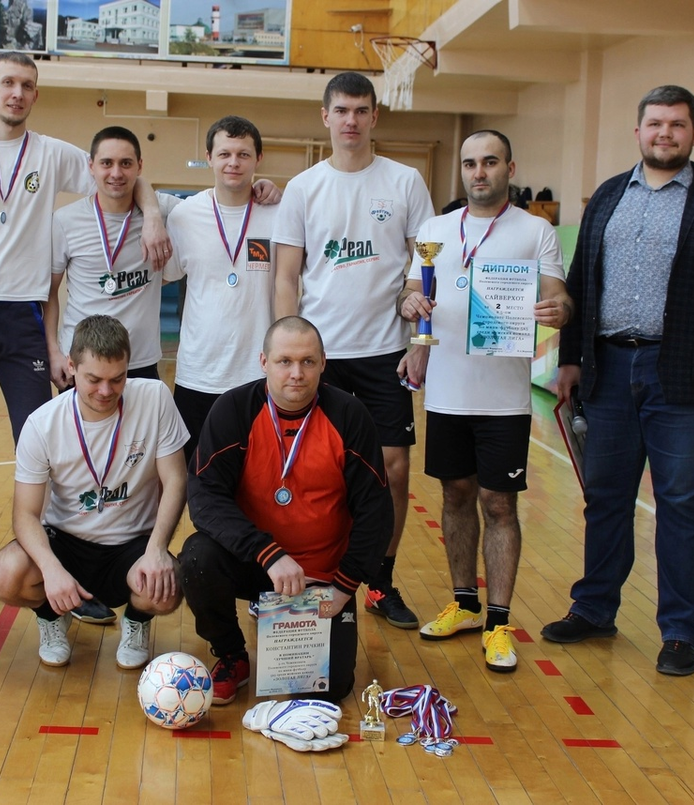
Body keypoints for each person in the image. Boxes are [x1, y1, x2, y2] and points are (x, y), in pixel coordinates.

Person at [0, 51, 171, 612]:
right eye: (8, 82)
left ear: (35, 94)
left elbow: (120, 175)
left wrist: (152, 212)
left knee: (49, 439)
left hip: (22, 316)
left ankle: (65, 559)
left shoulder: (54, 154)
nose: (17, 92)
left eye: (27, 85)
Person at [541, 85, 694, 677]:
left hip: (684, 375)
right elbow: (580, 282)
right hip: (609, 369)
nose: (665, 133)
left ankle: (679, 631)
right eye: (656, 123)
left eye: (677, 124)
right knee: (605, 498)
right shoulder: (609, 195)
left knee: (682, 504)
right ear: (638, 131)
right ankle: (594, 608)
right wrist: (571, 357)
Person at [398, 130, 570, 673]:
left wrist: (558, 311)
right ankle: (465, 605)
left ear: (509, 168)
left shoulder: (536, 231)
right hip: (448, 392)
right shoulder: (435, 230)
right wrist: (410, 309)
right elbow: (412, 292)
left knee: (498, 504)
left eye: (490, 162)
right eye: (470, 163)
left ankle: (498, 622)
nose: (479, 172)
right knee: (455, 496)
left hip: (504, 400)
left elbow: (559, 297)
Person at [273, 72, 435, 630]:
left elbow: (425, 267)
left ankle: (380, 582)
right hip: (320, 358)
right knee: (315, 472)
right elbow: (286, 276)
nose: (351, 120)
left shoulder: (405, 181)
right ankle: (319, 573)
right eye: (341, 110)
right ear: (326, 116)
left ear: (374, 117)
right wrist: (286, 351)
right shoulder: (303, 188)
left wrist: (419, 336)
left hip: (386, 352)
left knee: (393, 469)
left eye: (361, 110)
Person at [181, 316, 392, 704]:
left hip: (322, 580)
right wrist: (268, 552)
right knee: (197, 557)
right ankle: (231, 654)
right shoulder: (234, 410)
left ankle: (301, 631)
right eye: (285, 362)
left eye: (308, 361)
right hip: (258, 564)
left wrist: (344, 587)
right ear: (264, 362)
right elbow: (205, 498)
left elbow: (376, 511)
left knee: (329, 690)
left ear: (323, 363)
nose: (297, 373)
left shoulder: (349, 416)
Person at [0, 315, 188, 670]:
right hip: (66, 541)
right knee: (5, 574)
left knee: (167, 587)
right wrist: (50, 568)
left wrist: (157, 549)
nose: (106, 391)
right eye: (94, 380)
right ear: (71, 366)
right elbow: (25, 514)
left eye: (117, 379)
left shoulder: (155, 398)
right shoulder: (42, 424)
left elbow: (175, 480)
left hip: (131, 543)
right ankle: (51, 617)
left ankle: (136, 622)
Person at [168, 115, 278, 461]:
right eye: (225, 154)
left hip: (258, 373)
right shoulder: (184, 216)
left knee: (255, 475)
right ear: (209, 157)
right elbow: (167, 275)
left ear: (258, 158)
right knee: (194, 472)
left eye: (243, 154)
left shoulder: (280, 213)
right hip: (198, 373)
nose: (234, 163)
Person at [46, 127, 184, 387]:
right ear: (91, 166)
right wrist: (53, 352)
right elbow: (49, 293)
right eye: (107, 163)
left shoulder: (164, 210)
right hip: (83, 362)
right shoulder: (65, 221)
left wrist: (259, 189)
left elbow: (216, 207)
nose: (116, 173)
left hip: (140, 362)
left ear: (140, 166)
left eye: (126, 163)